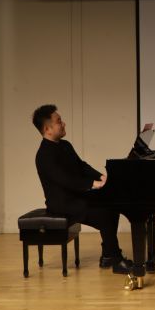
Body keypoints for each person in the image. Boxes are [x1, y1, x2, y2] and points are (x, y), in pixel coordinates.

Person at [32, 104, 133, 275]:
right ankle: (115, 259)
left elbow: (82, 166)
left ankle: (108, 254)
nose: (63, 123)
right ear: (47, 129)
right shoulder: (44, 155)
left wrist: (101, 177)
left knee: (111, 203)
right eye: (59, 121)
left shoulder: (65, 145)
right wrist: (93, 184)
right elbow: (65, 180)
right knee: (104, 213)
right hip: (62, 204)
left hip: (75, 196)